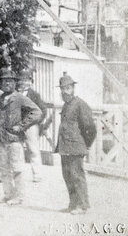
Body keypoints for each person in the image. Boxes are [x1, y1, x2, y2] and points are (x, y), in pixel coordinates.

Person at [0, 68, 42, 206]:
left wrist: (21, 126)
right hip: (0, 139)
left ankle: (19, 196)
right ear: (0, 83)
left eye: (10, 81)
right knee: (3, 168)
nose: (7, 83)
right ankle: (8, 194)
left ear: (14, 83)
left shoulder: (19, 98)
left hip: (14, 139)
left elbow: (37, 112)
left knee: (17, 168)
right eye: (4, 81)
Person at [55, 74, 96, 215]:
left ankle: (82, 205)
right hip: (65, 147)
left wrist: (86, 144)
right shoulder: (66, 105)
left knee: (77, 176)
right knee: (67, 176)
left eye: (67, 88)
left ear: (73, 88)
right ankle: (73, 204)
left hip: (76, 147)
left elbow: (90, 127)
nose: (64, 91)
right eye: (62, 89)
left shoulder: (80, 104)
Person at [17, 69, 49, 183]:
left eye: (27, 80)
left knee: (33, 149)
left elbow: (43, 110)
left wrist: (37, 122)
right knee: (18, 149)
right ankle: (18, 174)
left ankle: (37, 174)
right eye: (22, 80)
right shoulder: (15, 94)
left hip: (31, 126)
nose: (24, 82)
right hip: (18, 125)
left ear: (31, 81)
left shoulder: (34, 95)